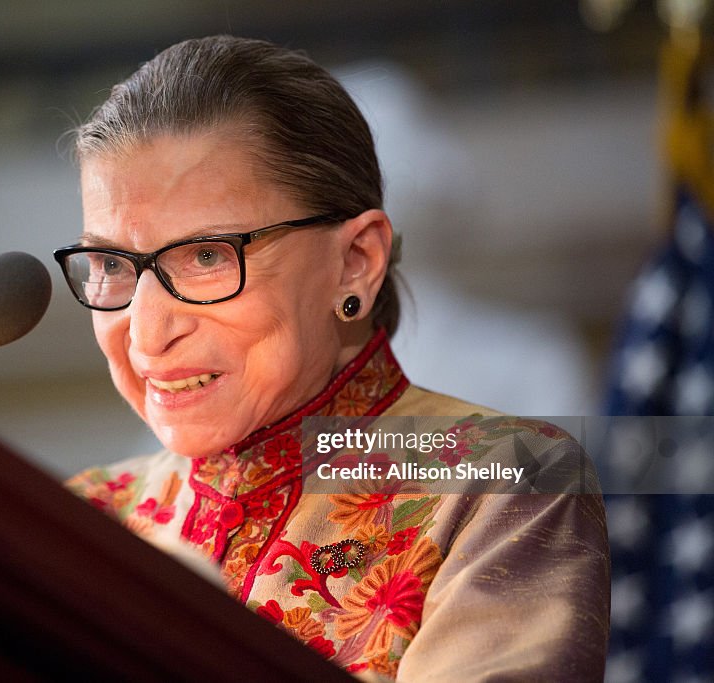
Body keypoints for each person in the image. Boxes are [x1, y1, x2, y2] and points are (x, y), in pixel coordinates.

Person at [56, 35, 609, 681]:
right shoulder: (80, 516)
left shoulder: (498, 485)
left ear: (356, 262)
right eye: (112, 264)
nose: (146, 333)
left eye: (207, 255)